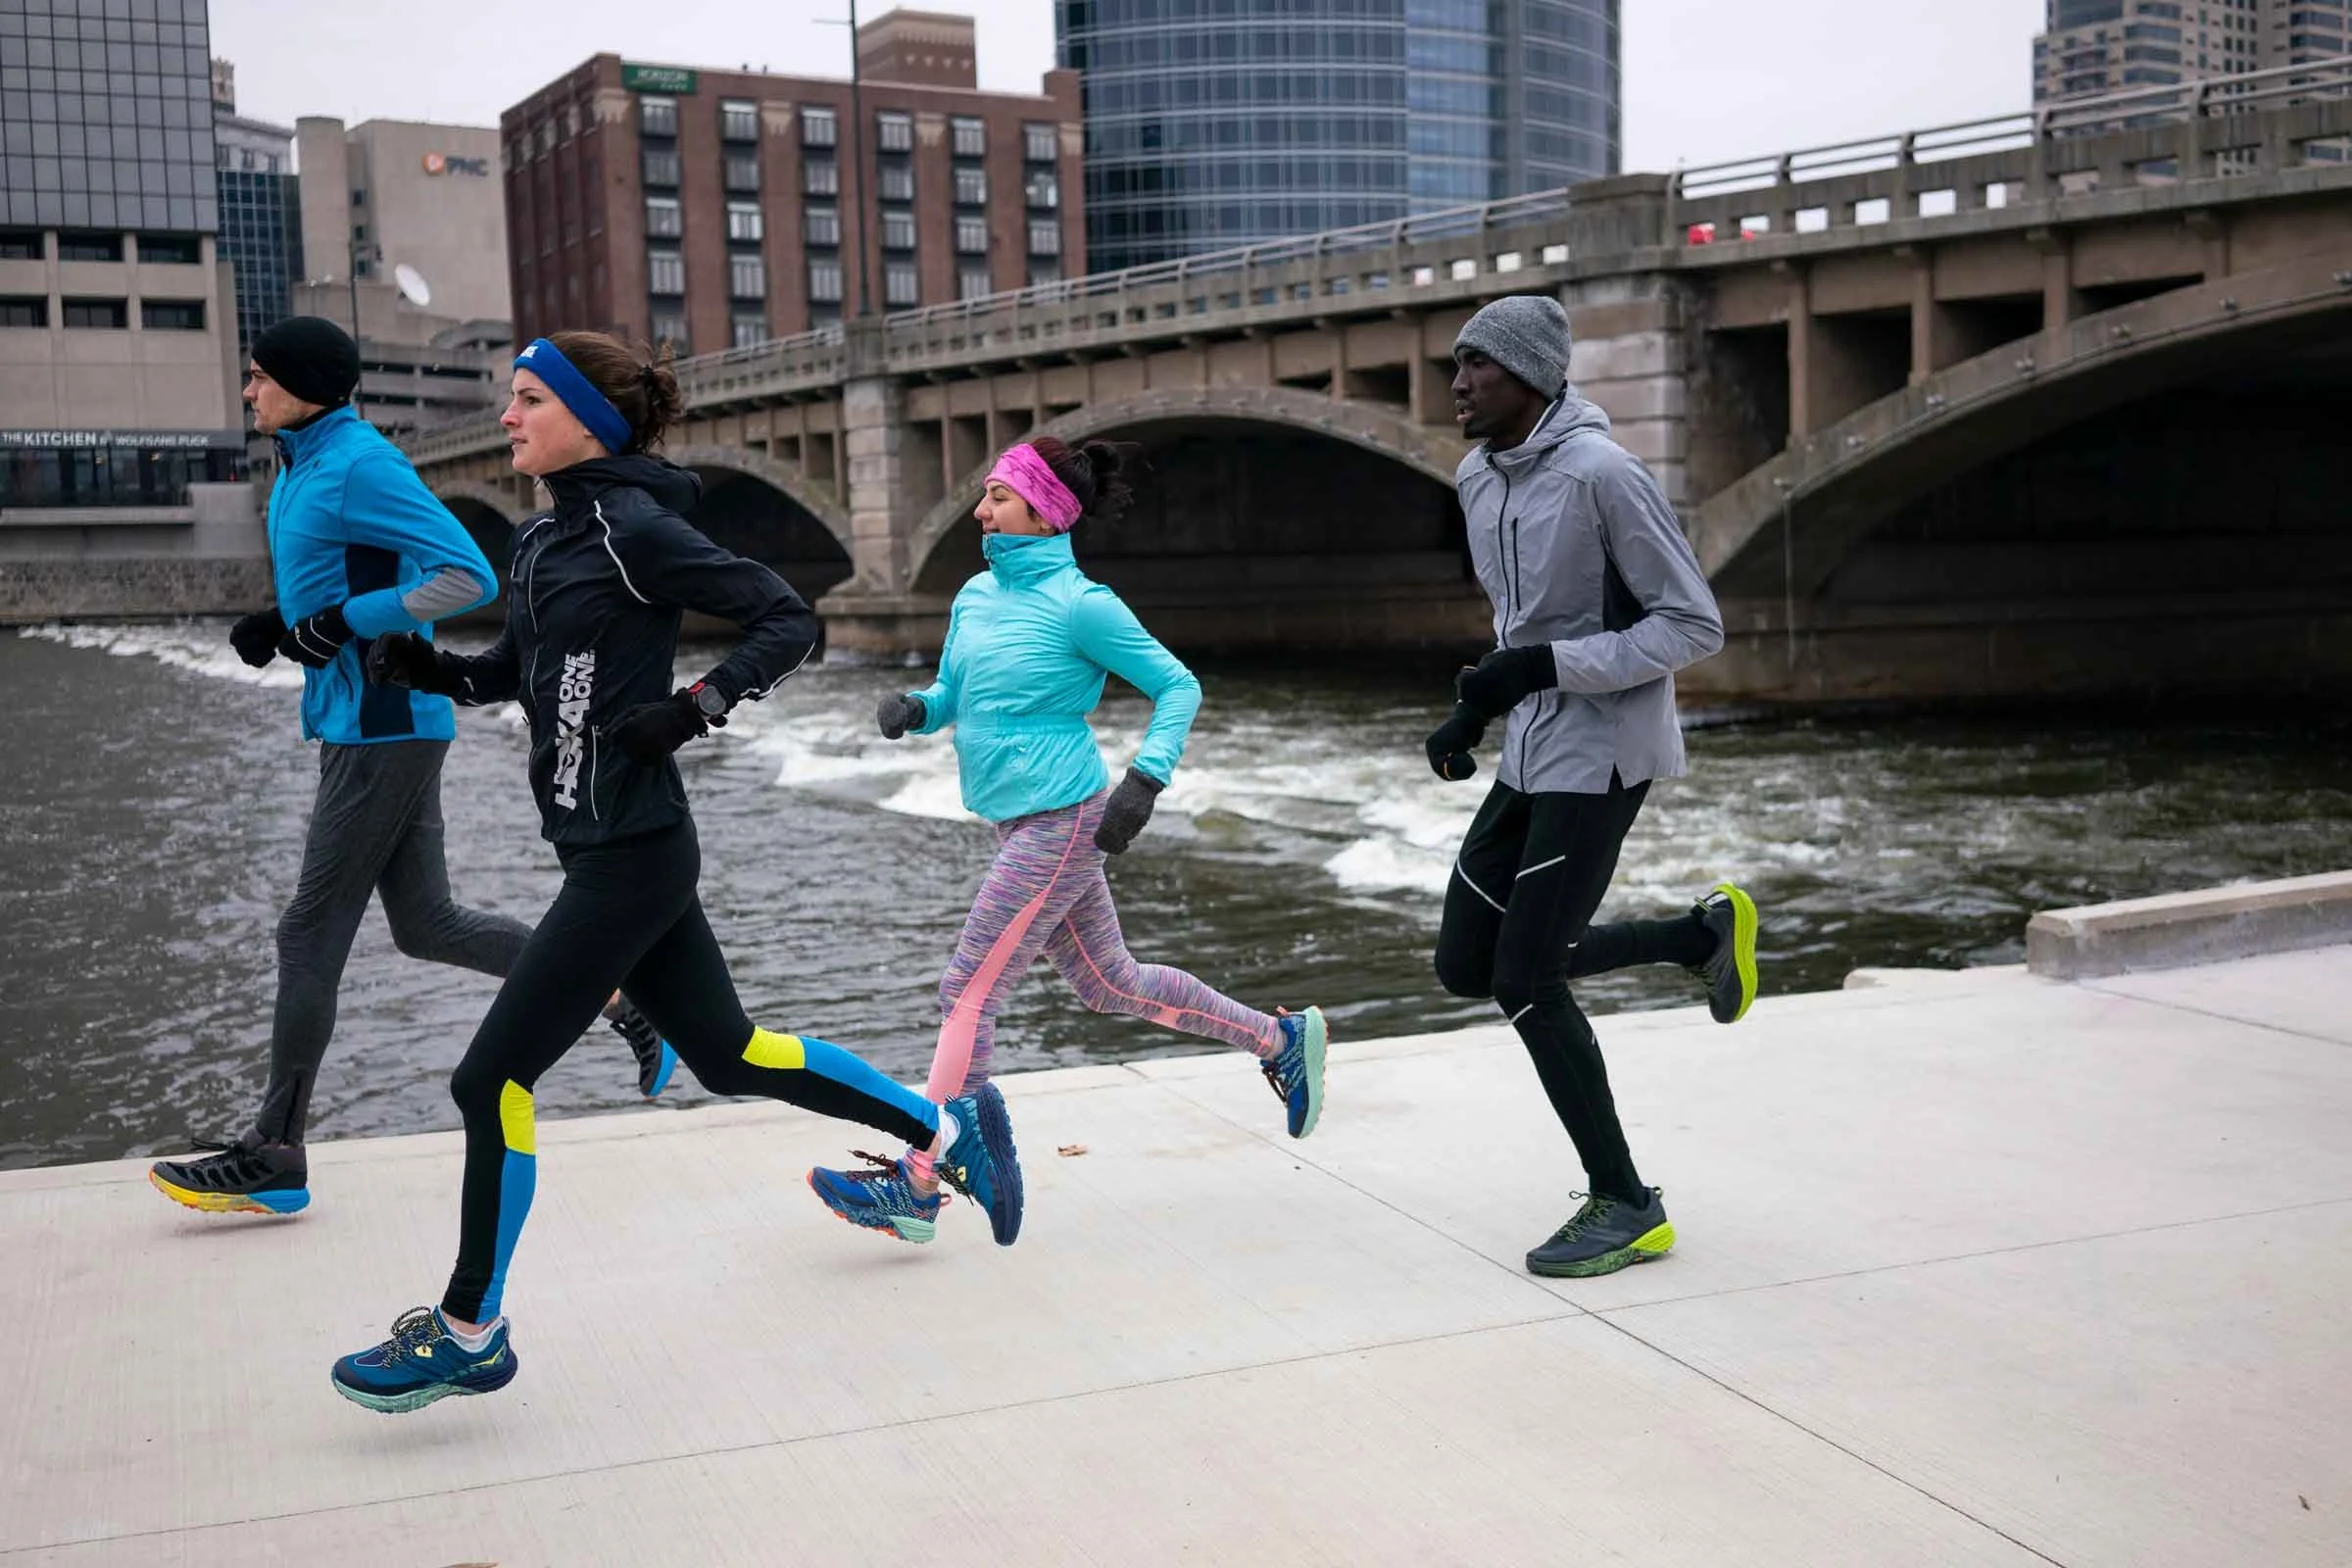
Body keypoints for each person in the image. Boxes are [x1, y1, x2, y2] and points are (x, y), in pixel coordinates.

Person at [326, 331, 966, 1413]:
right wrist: (438, 668)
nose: (508, 417)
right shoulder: (537, 544)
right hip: (601, 844)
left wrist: (693, 707)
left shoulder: (635, 528)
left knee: (490, 1081)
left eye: (529, 399)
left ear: (591, 420)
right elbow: (529, 675)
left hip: (633, 854)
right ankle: (937, 1135)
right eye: (509, 398)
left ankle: (470, 1327)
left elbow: (787, 617)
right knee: (731, 1052)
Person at [148, 318, 672, 1223]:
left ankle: (277, 1150)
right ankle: (624, 996)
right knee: (426, 924)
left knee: (307, 930)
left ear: (305, 384)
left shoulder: (359, 462)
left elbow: (465, 575)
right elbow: (341, 576)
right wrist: (283, 623)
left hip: (385, 719)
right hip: (361, 717)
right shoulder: (301, 458)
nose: (248, 392)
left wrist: (342, 623)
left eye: (261, 378)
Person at [806, 436, 1330, 1250]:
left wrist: (1145, 782)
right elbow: (958, 691)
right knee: (1110, 986)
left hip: (1065, 818)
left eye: (1000, 499)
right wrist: (919, 707)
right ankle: (1280, 1040)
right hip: (1018, 818)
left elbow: (1177, 686)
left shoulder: (1084, 604)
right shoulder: (975, 595)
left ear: (1046, 513)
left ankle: (918, 1180)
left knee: (966, 991)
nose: (982, 512)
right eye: (984, 497)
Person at [1425, 294, 1759, 1281]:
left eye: (1477, 366)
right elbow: (1518, 630)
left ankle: (1628, 1201)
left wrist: (1543, 670)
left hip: (1604, 752)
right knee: (1467, 962)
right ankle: (1694, 939)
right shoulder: (1475, 481)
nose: (1457, 383)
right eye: (1456, 364)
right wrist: (1473, 712)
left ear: (1531, 375)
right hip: (1529, 744)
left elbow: (1693, 625)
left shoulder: (1605, 475)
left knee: (1526, 979)